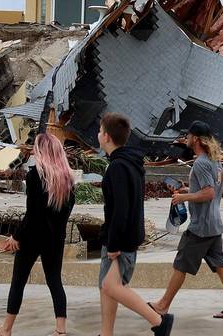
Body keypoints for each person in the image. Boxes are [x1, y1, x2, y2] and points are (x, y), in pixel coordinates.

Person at [149, 121, 223, 320]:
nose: (186, 138)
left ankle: (162, 305)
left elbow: (209, 193)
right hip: (214, 223)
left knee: (181, 263)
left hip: (201, 227)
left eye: (188, 135)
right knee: (220, 264)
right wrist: (188, 189)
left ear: (196, 139)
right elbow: (209, 188)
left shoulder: (201, 162)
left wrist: (183, 197)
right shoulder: (215, 161)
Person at [0, 133, 76, 336]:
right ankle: (60, 330)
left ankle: (6, 330)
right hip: (56, 238)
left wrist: (16, 237)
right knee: (55, 281)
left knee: (18, 281)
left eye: (37, 148)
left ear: (42, 152)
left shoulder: (35, 175)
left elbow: (33, 214)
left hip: (33, 237)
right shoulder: (68, 180)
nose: (34, 152)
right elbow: (63, 215)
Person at [96, 113, 174, 336]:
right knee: (107, 287)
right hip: (124, 236)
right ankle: (106, 333)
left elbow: (121, 208)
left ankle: (159, 321)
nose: (98, 135)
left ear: (107, 137)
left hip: (121, 239)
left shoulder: (118, 167)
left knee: (111, 287)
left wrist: (113, 243)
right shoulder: (129, 163)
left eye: (101, 131)